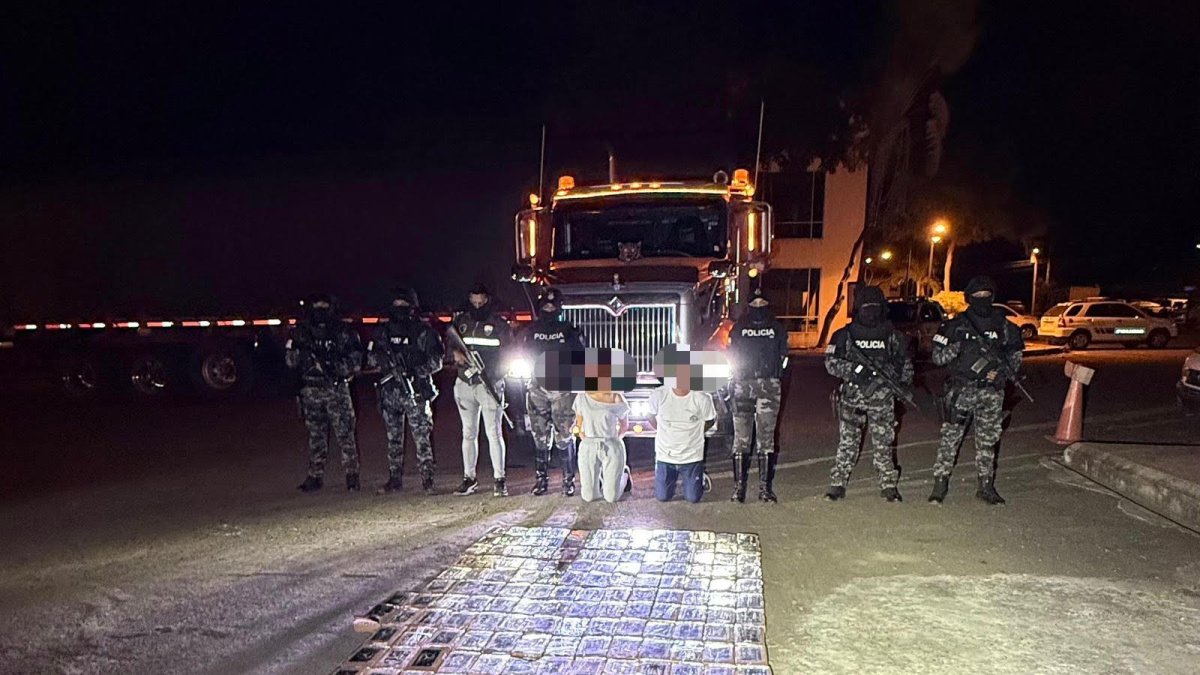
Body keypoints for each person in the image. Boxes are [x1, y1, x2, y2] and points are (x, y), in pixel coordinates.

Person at [930, 275, 1024, 505]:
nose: (982, 300)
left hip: (991, 391)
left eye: (986, 296)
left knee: (987, 441)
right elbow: (937, 357)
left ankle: (986, 486)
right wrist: (960, 346)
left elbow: (1016, 356)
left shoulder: (1004, 325)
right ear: (968, 298)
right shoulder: (954, 326)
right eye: (977, 296)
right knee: (950, 438)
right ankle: (940, 484)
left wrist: (1001, 373)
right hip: (961, 390)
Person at [824, 285, 913, 502]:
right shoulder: (844, 335)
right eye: (866, 306)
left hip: (882, 399)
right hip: (853, 396)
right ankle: (838, 483)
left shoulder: (893, 336)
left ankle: (888, 485)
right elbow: (830, 363)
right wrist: (856, 371)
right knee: (848, 442)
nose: (871, 311)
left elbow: (906, 367)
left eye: (874, 306)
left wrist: (899, 385)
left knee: (884, 443)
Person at [366, 286, 444, 494]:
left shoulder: (424, 332)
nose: (400, 309)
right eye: (397, 305)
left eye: (405, 305)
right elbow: (371, 357)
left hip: (415, 390)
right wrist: (382, 360)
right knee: (393, 438)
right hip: (390, 392)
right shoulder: (383, 332)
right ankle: (394, 478)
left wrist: (415, 368)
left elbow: (436, 362)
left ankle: (427, 479)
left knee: (422, 437)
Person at [286, 294, 364, 493]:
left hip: (336, 388)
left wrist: (332, 366)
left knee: (345, 434)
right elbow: (290, 361)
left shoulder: (343, 331)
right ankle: (315, 476)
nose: (320, 309)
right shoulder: (302, 332)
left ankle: (352, 475)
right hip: (311, 390)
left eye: (324, 305)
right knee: (316, 435)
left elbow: (355, 362)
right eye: (316, 305)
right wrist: (301, 356)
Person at [519, 287, 585, 496]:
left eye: (552, 306)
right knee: (540, 436)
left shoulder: (570, 331)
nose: (549, 309)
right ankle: (541, 480)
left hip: (562, 389)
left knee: (564, 437)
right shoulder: (530, 331)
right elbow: (522, 354)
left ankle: (568, 481)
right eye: (545, 306)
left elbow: (580, 357)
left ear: (559, 307)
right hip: (537, 387)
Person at [449, 283, 513, 497]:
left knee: (493, 433)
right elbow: (449, 344)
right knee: (468, 433)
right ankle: (469, 478)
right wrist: (455, 355)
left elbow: (508, 354)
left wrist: (494, 376)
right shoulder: (461, 322)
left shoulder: (499, 324)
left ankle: (499, 479)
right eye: (473, 301)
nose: (477, 305)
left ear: (487, 300)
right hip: (465, 383)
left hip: (489, 384)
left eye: (481, 301)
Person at [728, 288, 789, 503]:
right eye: (756, 303)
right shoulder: (776, 328)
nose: (759, 306)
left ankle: (758, 489)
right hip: (754, 386)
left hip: (755, 385)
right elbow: (784, 358)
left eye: (762, 302)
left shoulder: (740, 328)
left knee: (763, 439)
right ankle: (743, 489)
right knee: (745, 439)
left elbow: (783, 360)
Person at [649, 349, 717, 503]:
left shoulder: (701, 398)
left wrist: (696, 432)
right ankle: (671, 478)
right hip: (665, 455)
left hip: (692, 456)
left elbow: (710, 419)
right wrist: (665, 432)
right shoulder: (659, 395)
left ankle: (700, 477)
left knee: (693, 498)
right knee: (662, 497)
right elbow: (650, 416)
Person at [573, 357, 631, 503]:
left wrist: (615, 440)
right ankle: (598, 479)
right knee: (589, 497)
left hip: (611, 443)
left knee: (611, 497)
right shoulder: (582, 398)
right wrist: (585, 439)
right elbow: (579, 425)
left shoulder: (617, 398)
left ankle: (623, 475)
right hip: (589, 445)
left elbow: (624, 425)